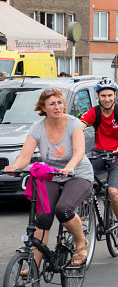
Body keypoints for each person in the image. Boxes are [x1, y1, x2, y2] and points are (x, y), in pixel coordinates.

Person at [5, 88, 94, 268]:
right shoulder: (37, 128)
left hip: (78, 174)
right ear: (43, 108)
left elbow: (79, 152)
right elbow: (24, 156)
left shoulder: (73, 124)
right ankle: (34, 266)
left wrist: (69, 168)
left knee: (64, 210)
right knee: (43, 218)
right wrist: (16, 167)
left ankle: (81, 243)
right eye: (52, 104)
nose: (57, 107)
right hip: (52, 176)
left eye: (60, 103)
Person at [80, 79, 118, 250]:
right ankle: (84, 218)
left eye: (110, 95)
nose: (107, 99)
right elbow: (78, 127)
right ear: (98, 96)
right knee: (81, 183)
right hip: (99, 154)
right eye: (103, 95)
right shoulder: (94, 112)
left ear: (115, 95)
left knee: (113, 191)